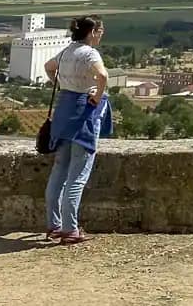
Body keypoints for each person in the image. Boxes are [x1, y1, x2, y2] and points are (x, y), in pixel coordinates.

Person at [43, 16, 112, 244]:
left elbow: (48, 67)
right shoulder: (90, 54)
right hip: (83, 113)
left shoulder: (66, 52)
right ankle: (70, 229)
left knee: (59, 171)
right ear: (91, 32)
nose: (101, 35)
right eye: (100, 31)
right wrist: (97, 95)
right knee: (77, 176)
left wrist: (62, 85)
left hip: (63, 112)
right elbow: (103, 75)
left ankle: (53, 225)